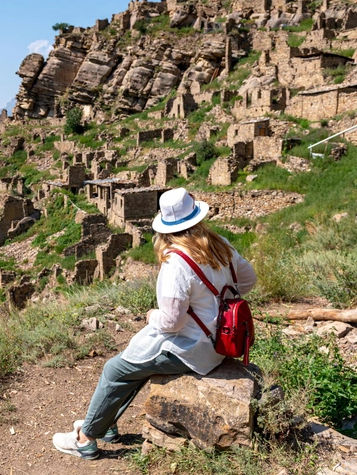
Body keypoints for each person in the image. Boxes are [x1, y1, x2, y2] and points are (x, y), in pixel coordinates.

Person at [52, 187, 257, 459]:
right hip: (221, 342)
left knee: (115, 369)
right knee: (132, 363)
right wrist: (215, 304)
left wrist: (151, 316)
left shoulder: (177, 262)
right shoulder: (219, 245)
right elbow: (248, 280)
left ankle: (85, 438)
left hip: (193, 350)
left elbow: (172, 322)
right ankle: (108, 425)